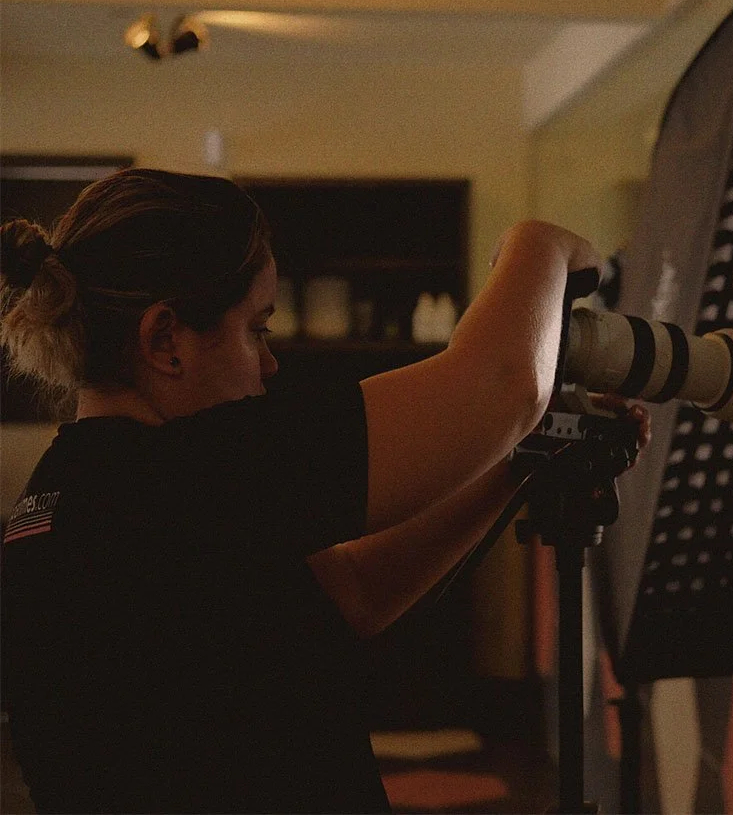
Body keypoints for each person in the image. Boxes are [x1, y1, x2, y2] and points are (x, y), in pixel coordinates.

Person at [0, 168, 649, 814]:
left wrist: (517, 464)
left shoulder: (87, 493)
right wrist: (541, 244)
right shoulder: (181, 474)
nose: (271, 363)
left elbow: (351, 593)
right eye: (257, 329)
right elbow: (506, 384)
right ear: (166, 340)